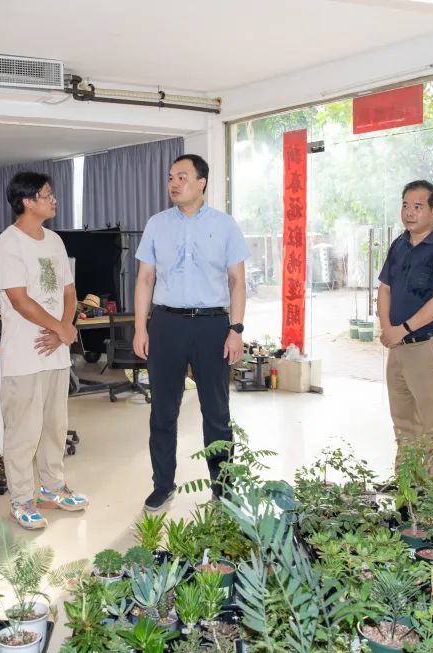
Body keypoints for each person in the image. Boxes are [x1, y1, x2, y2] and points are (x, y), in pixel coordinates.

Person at [133, 154, 249, 512]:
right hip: (166, 325)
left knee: (216, 412)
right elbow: (145, 279)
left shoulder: (224, 225)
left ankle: (223, 488)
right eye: (171, 177)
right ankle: (162, 485)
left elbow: (237, 281)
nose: (174, 184)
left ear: (202, 182)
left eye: (182, 177)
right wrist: (140, 327)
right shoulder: (156, 224)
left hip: (212, 326)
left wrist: (236, 330)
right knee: (163, 411)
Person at [0, 171, 87, 529]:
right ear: (28, 201)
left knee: (55, 427)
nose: (53, 200)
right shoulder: (8, 243)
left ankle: (52, 488)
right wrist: (60, 328)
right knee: (23, 432)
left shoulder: (55, 241)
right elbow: (19, 300)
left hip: (56, 352)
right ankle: (21, 500)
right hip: (24, 355)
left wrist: (63, 330)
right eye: (47, 195)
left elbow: (69, 291)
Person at [377, 180, 433, 474]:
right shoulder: (399, 245)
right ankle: (406, 487)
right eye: (405, 205)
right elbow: (385, 288)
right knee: (403, 423)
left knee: (432, 427)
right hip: (398, 348)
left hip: (429, 348)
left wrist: (402, 329)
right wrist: (388, 329)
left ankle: (429, 495)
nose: (409, 212)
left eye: (417, 206)